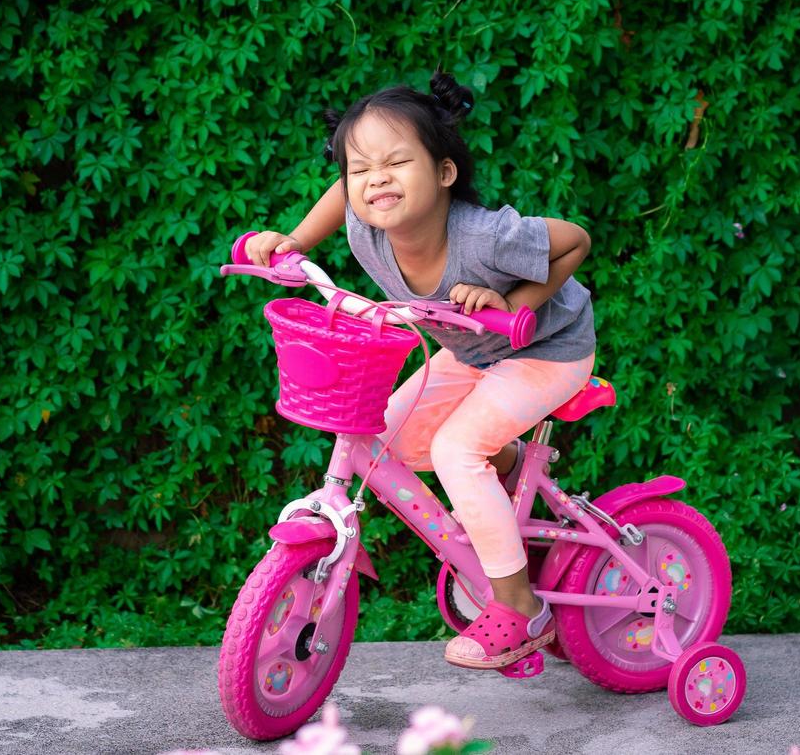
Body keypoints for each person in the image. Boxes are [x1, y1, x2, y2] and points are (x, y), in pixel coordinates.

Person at [244, 69, 596, 669]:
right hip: (472, 352)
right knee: (388, 439)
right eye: (362, 169)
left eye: (396, 163)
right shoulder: (367, 228)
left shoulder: (485, 236)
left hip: (548, 349)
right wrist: (296, 242)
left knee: (458, 449)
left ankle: (520, 606)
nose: (376, 179)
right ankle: (507, 488)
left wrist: (516, 306)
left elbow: (575, 240)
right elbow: (342, 193)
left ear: (444, 172)